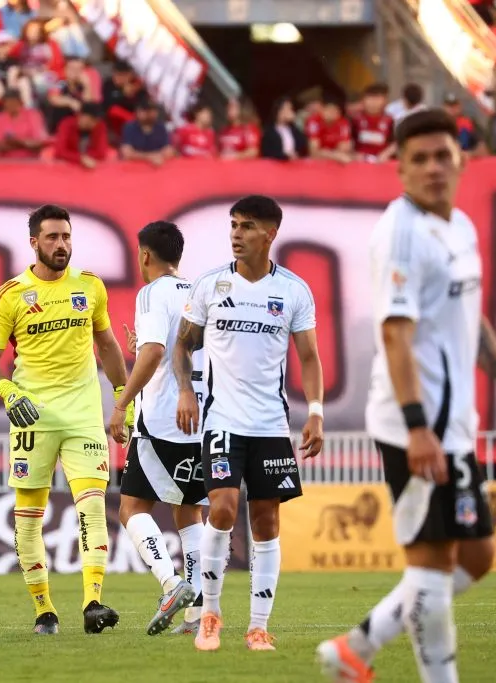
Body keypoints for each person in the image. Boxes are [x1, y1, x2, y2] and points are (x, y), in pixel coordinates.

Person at [316, 108, 496, 683]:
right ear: (398, 168)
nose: (432, 168)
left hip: (454, 427)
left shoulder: (461, 228)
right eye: (417, 159)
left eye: (442, 155)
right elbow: (395, 335)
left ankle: (356, 649)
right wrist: (418, 426)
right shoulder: (400, 235)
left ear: (461, 159)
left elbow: (467, 320)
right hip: (411, 425)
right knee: (431, 568)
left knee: (477, 555)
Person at [173, 194, 325, 652]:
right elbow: (183, 344)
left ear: (270, 234)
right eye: (233, 224)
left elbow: (310, 356)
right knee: (220, 508)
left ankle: (258, 626)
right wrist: (185, 389)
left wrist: (316, 411)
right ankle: (210, 617)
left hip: (271, 426)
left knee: (266, 520)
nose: (236, 233)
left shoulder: (293, 290)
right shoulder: (210, 285)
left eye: (247, 226)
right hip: (222, 420)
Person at [0, 203, 128, 636]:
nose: (61, 244)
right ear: (34, 243)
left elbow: (108, 346)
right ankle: (43, 609)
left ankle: (93, 602)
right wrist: (8, 391)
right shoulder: (11, 295)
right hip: (33, 416)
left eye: (66, 236)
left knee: (94, 504)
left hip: (83, 414)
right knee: (28, 514)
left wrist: (123, 398)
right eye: (52, 238)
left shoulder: (90, 287)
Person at [110, 221, 207, 636]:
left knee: (131, 508)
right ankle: (197, 612)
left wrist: (121, 403)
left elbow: (154, 351)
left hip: (164, 419)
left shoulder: (152, 293)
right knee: (189, 511)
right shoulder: (201, 291)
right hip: (203, 419)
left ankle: (170, 584)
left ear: (144, 255)